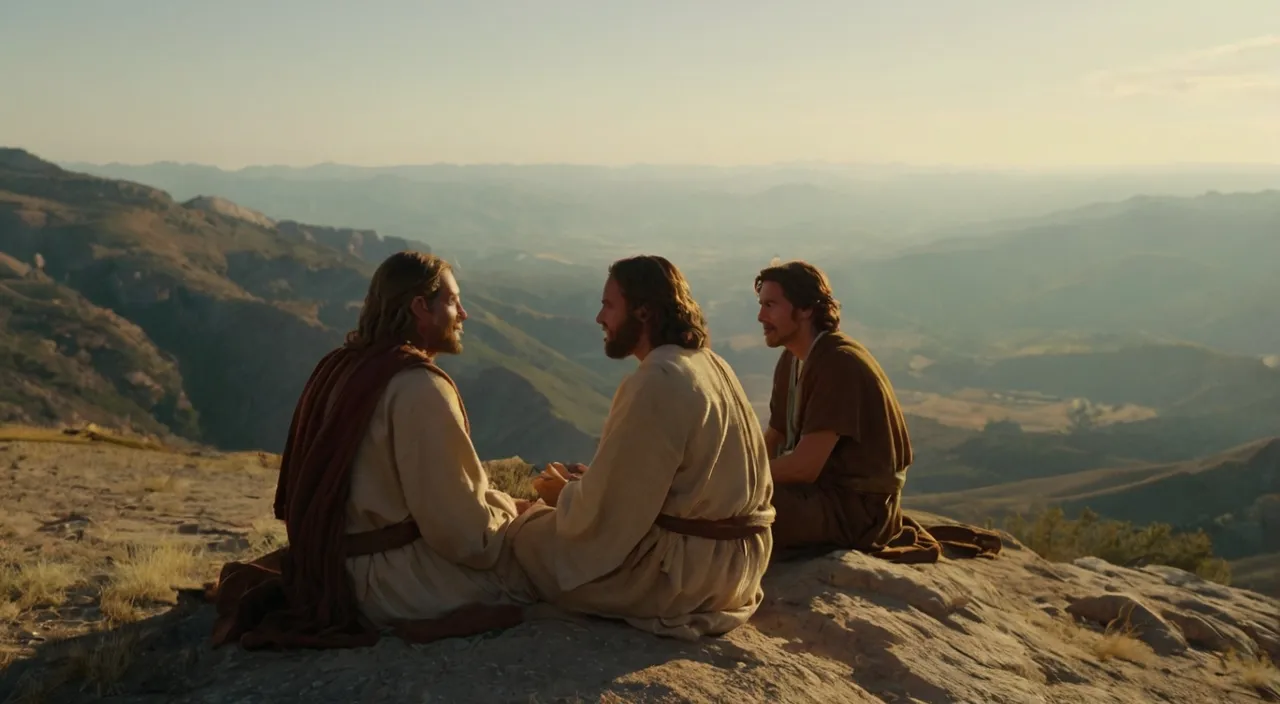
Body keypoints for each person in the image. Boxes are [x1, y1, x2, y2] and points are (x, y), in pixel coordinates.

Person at [207, 251, 532, 650]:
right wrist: (509, 510)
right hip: (392, 583)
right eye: (452, 301)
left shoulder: (339, 365)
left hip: (331, 570)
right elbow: (463, 537)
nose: (463, 314)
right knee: (540, 560)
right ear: (419, 307)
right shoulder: (419, 388)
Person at [503, 255, 775, 640]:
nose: (600, 318)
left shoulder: (658, 380)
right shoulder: (711, 364)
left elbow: (611, 514)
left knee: (523, 536)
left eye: (609, 305)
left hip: (681, 578)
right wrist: (591, 484)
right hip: (740, 569)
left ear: (643, 311)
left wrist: (563, 496)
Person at [755, 260, 1001, 563]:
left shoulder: (836, 363)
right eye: (761, 305)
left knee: (737, 505)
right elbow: (775, 436)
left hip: (855, 513)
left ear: (805, 309)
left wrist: (742, 477)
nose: (761, 316)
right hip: (822, 496)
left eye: (770, 305)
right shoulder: (792, 361)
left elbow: (805, 466)